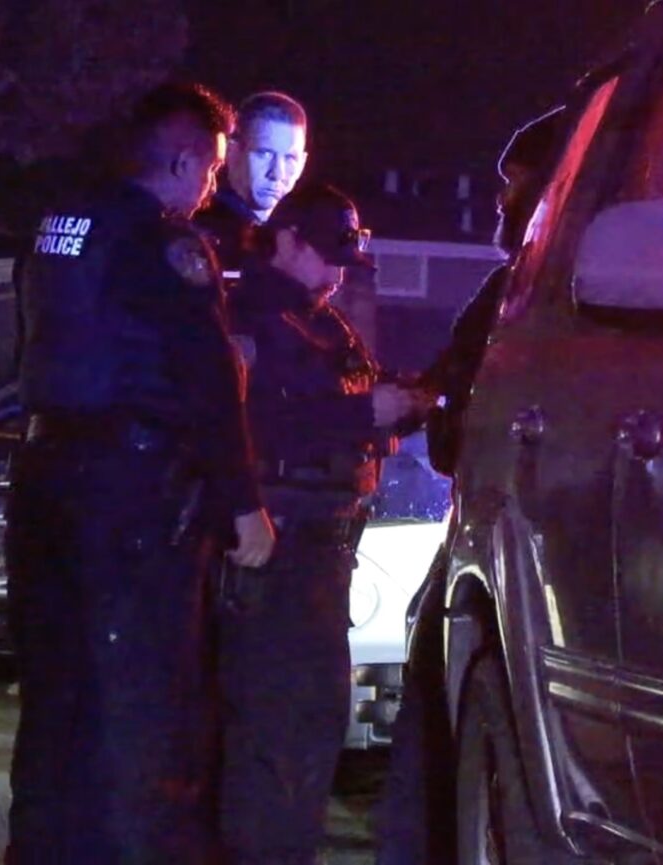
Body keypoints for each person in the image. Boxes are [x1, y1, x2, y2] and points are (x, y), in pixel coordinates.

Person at [4, 81, 276, 864]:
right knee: (141, 705)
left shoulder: (62, 223)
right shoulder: (165, 243)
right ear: (183, 157)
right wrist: (243, 503)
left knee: (56, 699)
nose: (212, 187)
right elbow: (206, 379)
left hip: (45, 476)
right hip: (130, 495)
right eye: (212, 166)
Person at [215, 182, 433, 865]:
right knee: (278, 720)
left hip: (323, 542)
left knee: (309, 719)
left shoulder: (321, 320)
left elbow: (346, 396)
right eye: (326, 255)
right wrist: (361, 413)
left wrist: (402, 402)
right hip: (279, 544)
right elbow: (239, 423)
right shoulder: (249, 316)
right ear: (286, 242)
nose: (339, 272)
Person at [373, 106, 567, 865]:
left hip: (514, 540)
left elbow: (461, 399)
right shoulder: (515, 288)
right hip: (499, 539)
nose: (501, 210)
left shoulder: (528, 289)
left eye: (513, 192)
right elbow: (452, 390)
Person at [195, 91, 310, 279]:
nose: (277, 173)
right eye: (264, 154)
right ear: (232, 152)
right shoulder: (201, 234)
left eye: (290, 158)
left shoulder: (300, 241)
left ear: (303, 163)